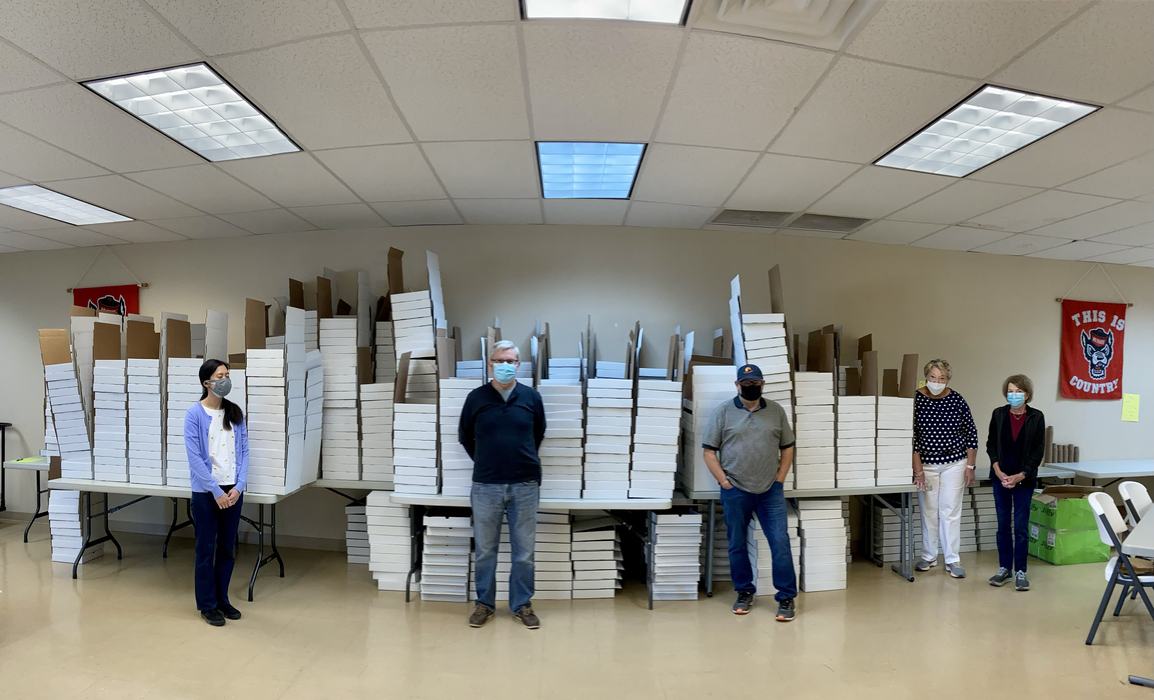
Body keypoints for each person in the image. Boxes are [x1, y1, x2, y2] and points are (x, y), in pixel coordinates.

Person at [459, 340, 546, 629]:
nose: (504, 365)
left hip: (525, 484)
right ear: (490, 364)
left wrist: (519, 458)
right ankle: (484, 604)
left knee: (524, 553)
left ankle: (522, 605)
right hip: (486, 485)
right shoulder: (476, 398)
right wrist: (486, 459)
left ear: (518, 365)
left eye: (510, 361)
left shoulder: (531, 397)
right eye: (499, 361)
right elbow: (465, 436)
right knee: (485, 550)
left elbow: (538, 433)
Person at [702, 364, 798, 620]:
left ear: (762, 384)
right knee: (736, 544)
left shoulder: (776, 411)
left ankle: (786, 597)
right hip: (735, 490)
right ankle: (744, 592)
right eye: (746, 384)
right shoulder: (723, 412)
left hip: (770, 491)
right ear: (737, 385)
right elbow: (709, 451)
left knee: (780, 542)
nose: (751, 387)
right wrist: (724, 482)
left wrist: (780, 479)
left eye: (755, 383)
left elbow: (788, 447)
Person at [184, 359, 249, 627]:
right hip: (206, 492)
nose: (225, 380)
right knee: (205, 548)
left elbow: (244, 451)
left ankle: (222, 599)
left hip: (232, 490)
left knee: (227, 548)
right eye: (220, 376)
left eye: (227, 375)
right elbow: (195, 458)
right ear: (206, 382)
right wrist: (214, 490)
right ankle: (207, 604)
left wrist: (239, 486)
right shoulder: (194, 414)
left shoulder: (234, 412)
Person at [912, 359, 979, 579]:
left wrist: (970, 465)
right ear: (926, 377)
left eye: (942, 378)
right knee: (929, 511)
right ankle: (929, 556)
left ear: (948, 379)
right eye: (933, 377)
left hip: (955, 463)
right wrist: (918, 470)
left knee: (950, 511)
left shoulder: (956, 399)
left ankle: (952, 559)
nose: (937, 382)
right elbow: (912, 437)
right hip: (926, 465)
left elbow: (971, 433)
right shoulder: (916, 400)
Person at [986, 374, 1045, 592]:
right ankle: (1004, 568)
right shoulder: (999, 414)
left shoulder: (1036, 417)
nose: (1014, 395)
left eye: (1019, 391)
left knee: (1020, 527)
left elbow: (1038, 451)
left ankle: (1021, 570)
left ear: (1027, 394)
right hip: (1000, 478)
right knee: (1003, 526)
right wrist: (998, 470)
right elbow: (991, 444)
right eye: (1011, 391)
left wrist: (1021, 475)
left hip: (1024, 480)